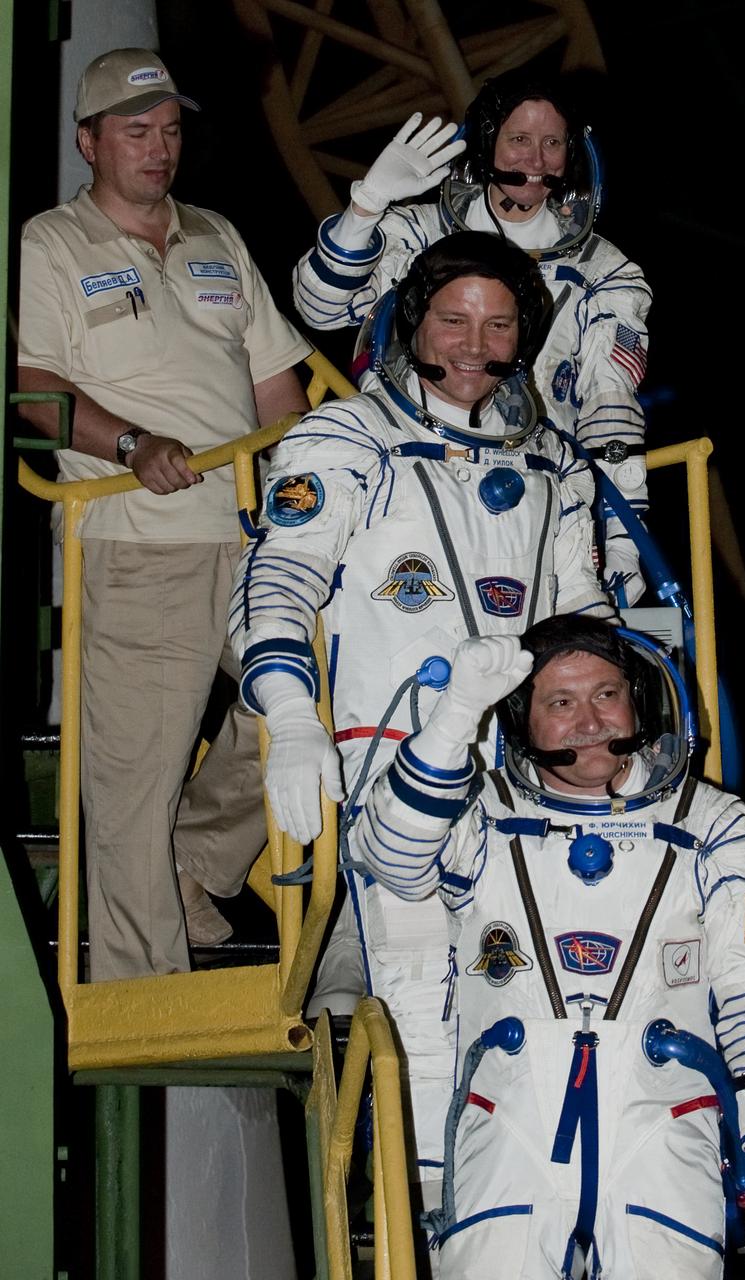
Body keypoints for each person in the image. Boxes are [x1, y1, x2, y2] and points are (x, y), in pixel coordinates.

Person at [228, 230, 614, 1207]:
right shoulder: (345, 439)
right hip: (391, 770)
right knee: (428, 1026)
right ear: (414, 324)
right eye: (454, 317)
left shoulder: (553, 461)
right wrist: (290, 714)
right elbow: (277, 581)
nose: (476, 341)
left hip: (532, 784)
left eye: (499, 320)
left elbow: (588, 616)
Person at [347, 615, 745, 1278]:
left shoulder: (721, 832)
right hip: (507, 1126)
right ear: (521, 722)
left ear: (638, 702)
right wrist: (455, 713)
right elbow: (391, 858)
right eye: (558, 703)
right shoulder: (480, 819)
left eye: (604, 694)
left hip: (664, 1129)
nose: (588, 721)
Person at [16, 47, 312, 979]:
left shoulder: (217, 235)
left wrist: (312, 507)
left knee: (313, 705)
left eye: (171, 130)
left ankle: (198, 861)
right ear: (89, 141)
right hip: (138, 541)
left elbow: (279, 389)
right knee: (133, 781)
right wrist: (130, 444)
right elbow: (31, 381)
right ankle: (145, 988)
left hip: (251, 538)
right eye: (136, 131)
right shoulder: (51, 244)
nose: (158, 148)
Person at [293, 70, 653, 608]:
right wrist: (366, 205)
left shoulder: (605, 271)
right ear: (487, 145)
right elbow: (319, 308)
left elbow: (611, 405)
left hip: (539, 486)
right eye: (519, 140)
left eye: (552, 143)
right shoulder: (418, 233)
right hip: (408, 474)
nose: (536, 161)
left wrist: (624, 542)